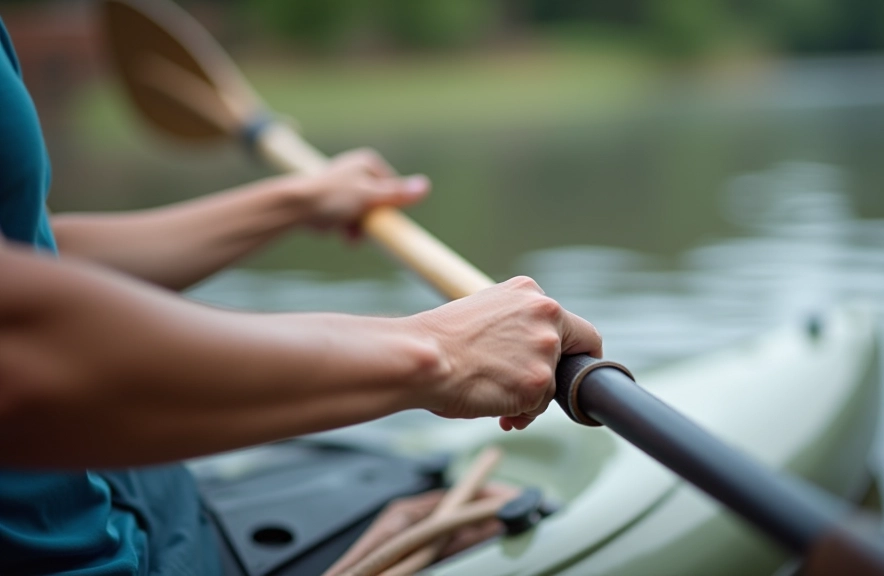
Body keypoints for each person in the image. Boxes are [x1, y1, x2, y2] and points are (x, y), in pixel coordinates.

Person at [0, 16, 601, 576]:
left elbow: (38, 256)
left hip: (137, 494)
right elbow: (22, 350)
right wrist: (439, 354)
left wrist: (295, 202)